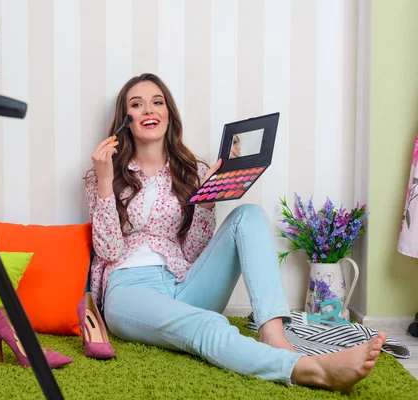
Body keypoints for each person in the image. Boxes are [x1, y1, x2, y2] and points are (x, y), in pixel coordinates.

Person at [84, 73, 385, 392]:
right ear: (124, 120)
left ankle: (273, 332)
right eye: (137, 104)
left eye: (157, 102)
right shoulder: (103, 174)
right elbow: (108, 252)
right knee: (208, 324)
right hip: (129, 289)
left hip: (183, 281)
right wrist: (105, 182)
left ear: (169, 114)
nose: (149, 110)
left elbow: (193, 254)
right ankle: (306, 370)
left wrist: (207, 202)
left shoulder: (192, 172)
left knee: (250, 214)